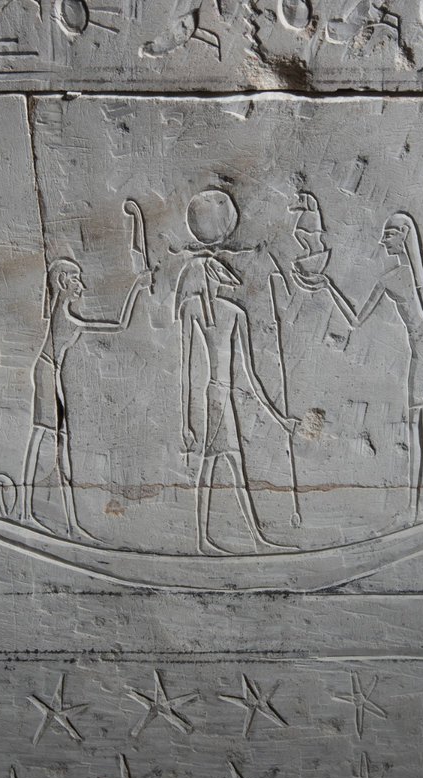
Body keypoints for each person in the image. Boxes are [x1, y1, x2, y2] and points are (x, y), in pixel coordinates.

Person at [295, 211, 423, 522]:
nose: (383, 241)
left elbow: (356, 321)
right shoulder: (396, 276)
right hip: (422, 343)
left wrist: (327, 285)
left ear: (404, 235)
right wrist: (328, 285)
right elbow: (356, 321)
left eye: (390, 235)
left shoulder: (397, 276)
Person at [175, 189, 298, 554]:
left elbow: (251, 375)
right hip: (215, 395)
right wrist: (185, 422)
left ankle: (242, 538)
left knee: (227, 463)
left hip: (223, 395)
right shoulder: (195, 310)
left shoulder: (234, 313)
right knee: (218, 463)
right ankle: (210, 539)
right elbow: (186, 370)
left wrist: (278, 418)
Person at [21, 257, 151, 539]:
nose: (82, 285)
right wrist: (137, 288)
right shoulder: (66, 317)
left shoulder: (65, 315)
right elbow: (118, 324)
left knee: (58, 441)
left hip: (51, 372)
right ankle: (25, 511)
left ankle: (68, 521)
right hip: (46, 371)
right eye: (76, 279)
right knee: (44, 436)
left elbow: (118, 326)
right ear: (62, 282)